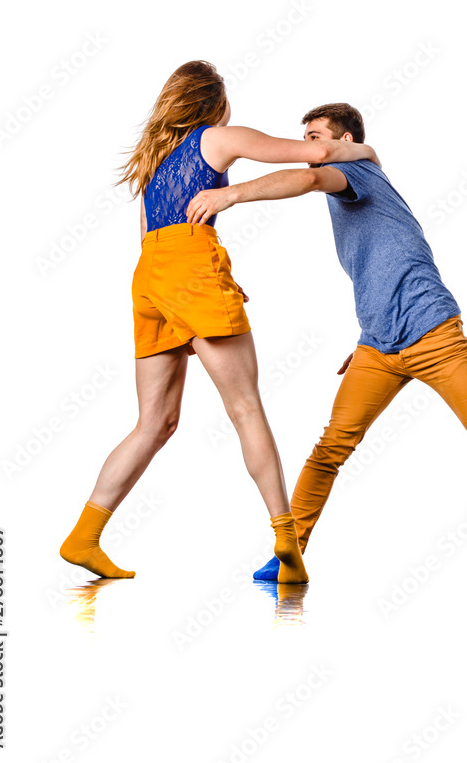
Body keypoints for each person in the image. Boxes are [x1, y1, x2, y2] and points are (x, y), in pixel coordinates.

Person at [185, 102, 467, 590]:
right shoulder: (344, 186)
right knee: (328, 449)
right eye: (307, 138)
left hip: (434, 333)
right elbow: (377, 268)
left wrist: (232, 194)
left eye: (317, 137)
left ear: (346, 142)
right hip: (378, 345)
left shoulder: (355, 169)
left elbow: (312, 179)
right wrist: (369, 336)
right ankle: (287, 555)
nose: (309, 148)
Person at [59, 66, 379, 585]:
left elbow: (152, 238)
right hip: (190, 269)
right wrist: (365, 153)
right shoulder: (219, 137)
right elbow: (317, 155)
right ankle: (287, 540)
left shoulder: (154, 160)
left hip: (150, 277)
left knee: (154, 423)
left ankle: (84, 536)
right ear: (215, 103)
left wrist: (206, 279)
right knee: (245, 405)